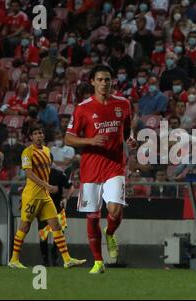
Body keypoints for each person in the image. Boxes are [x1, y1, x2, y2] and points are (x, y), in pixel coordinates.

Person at [65, 65, 137, 274]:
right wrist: (90, 140)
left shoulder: (123, 104)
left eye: (107, 79)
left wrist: (130, 140)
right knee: (93, 216)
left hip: (115, 166)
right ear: (93, 82)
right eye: (100, 79)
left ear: (112, 81)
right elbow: (68, 138)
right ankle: (98, 261)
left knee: (115, 209)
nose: (104, 83)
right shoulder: (83, 108)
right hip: (90, 169)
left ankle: (111, 232)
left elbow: (126, 131)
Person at [8, 124, 86, 269]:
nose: (39, 136)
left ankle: (67, 259)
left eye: (41, 133)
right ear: (31, 136)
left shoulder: (46, 150)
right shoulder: (27, 152)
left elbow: (46, 171)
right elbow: (29, 174)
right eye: (36, 133)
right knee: (24, 227)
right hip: (32, 196)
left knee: (56, 224)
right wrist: (46, 185)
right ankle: (14, 259)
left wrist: (47, 187)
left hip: (45, 196)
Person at [38, 153, 73, 266]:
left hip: (58, 209)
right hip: (43, 210)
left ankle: (54, 253)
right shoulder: (37, 176)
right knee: (43, 237)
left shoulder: (58, 174)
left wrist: (66, 198)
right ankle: (45, 259)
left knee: (59, 236)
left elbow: (71, 187)